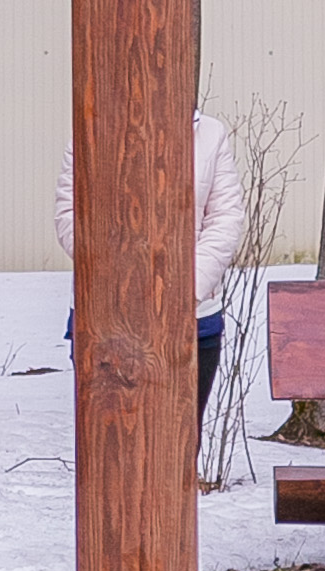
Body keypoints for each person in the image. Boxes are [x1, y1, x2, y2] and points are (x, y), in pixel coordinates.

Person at [56, 109, 247, 424]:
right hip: (106, 317)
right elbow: (70, 214)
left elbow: (226, 218)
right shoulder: (89, 128)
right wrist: (120, 282)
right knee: (109, 444)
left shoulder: (211, 134)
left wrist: (186, 289)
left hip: (193, 317)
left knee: (180, 444)